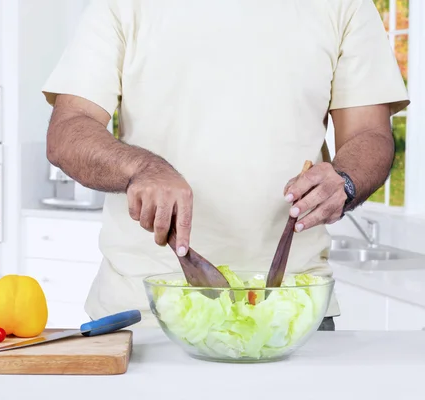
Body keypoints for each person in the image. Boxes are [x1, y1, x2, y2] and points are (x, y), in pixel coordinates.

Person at [41, 0, 409, 329]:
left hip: (293, 312)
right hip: (144, 310)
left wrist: (343, 181)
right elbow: (69, 129)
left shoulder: (345, 6)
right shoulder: (120, 5)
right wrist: (141, 168)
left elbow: (369, 135)